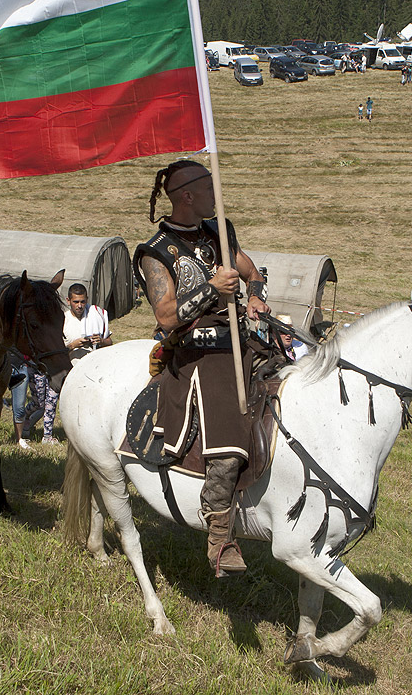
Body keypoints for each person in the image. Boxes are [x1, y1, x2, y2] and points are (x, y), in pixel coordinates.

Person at [134, 159, 269, 576]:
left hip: (242, 340)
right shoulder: (155, 252)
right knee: (227, 415)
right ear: (187, 195)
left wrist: (256, 295)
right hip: (197, 351)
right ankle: (219, 533)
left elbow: (251, 271)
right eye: (210, 188)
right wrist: (212, 288)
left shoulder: (221, 232)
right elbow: (165, 316)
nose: (218, 195)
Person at [63, 282, 113, 362]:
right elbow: (57, 353)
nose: (79, 306)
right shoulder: (63, 321)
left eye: (83, 302)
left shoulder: (96, 314)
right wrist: (73, 345)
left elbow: (109, 342)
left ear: (87, 300)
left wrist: (101, 341)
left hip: (94, 365)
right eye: (76, 302)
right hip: (73, 369)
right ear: (68, 301)